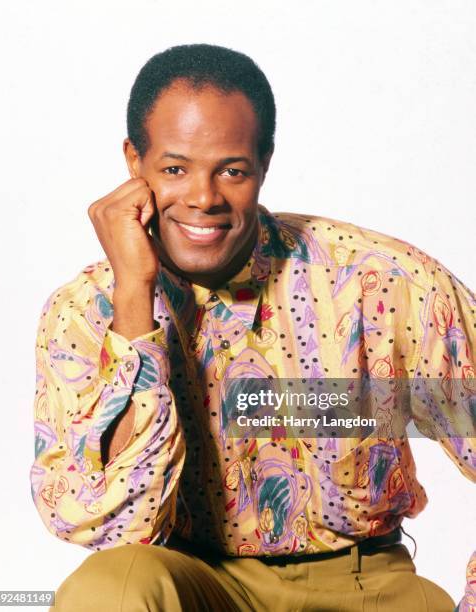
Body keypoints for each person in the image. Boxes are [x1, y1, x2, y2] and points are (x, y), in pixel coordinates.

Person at [30, 43, 475, 611]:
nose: (202, 197)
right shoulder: (83, 314)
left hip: (369, 584)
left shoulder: (380, 283)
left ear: (264, 163)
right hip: (198, 585)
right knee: (107, 588)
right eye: (173, 169)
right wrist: (134, 296)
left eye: (232, 171)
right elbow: (109, 529)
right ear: (133, 163)